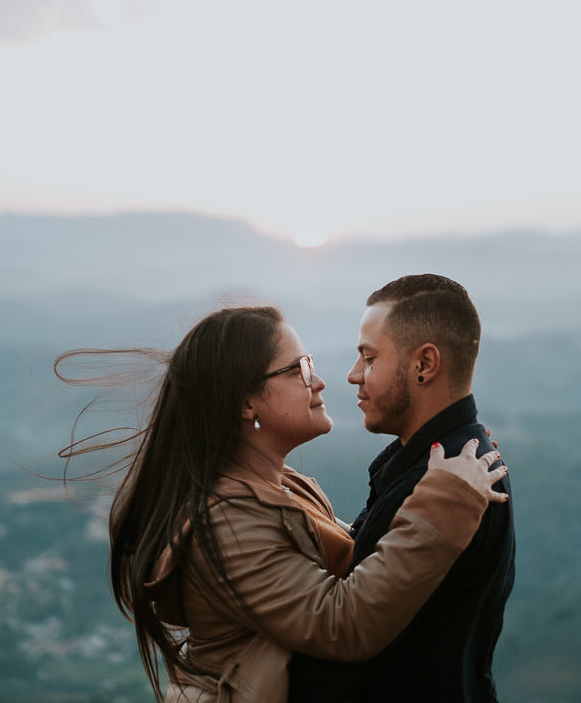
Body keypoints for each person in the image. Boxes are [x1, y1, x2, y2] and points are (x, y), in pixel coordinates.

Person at [55, 305, 509, 703]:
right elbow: (343, 622)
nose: (322, 380)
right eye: (300, 370)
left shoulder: (281, 487)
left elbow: (361, 558)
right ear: (247, 402)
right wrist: (447, 500)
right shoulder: (225, 522)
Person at [289, 274, 516, 703]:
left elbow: (352, 655)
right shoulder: (451, 467)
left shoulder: (444, 490)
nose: (354, 375)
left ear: (424, 365)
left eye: (369, 358)